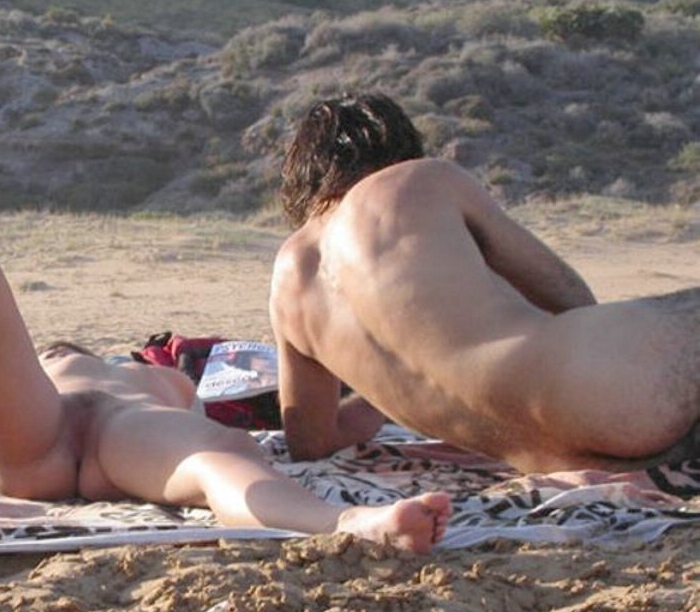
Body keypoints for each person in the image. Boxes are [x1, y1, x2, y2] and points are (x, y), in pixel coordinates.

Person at [0, 241, 450, 553]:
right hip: (96, 433)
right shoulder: (153, 376)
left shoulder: (141, 375)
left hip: (87, 438)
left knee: (217, 461)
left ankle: (352, 524)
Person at [270, 92, 700, 474]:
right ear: (397, 147)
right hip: (616, 394)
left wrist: (381, 394)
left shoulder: (287, 281)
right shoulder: (414, 180)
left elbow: (311, 444)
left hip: (561, 461)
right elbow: (567, 294)